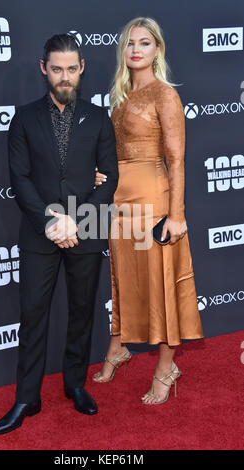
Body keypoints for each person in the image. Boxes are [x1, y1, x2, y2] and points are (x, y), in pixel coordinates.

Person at [0, 33, 118, 435]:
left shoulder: (99, 118)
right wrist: (51, 222)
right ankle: (27, 397)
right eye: (57, 69)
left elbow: (109, 178)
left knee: (82, 313)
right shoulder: (24, 118)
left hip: (86, 230)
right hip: (39, 232)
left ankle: (75, 385)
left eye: (72, 69)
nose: (65, 77)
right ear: (44, 69)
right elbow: (20, 179)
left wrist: (75, 221)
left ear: (83, 69)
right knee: (32, 318)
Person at [93, 17, 204, 405]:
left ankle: (166, 367)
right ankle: (118, 347)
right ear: (122, 50)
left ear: (157, 49)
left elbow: (176, 159)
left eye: (145, 42)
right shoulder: (120, 96)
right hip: (120, 200)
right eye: (129, 43)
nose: (136, 49)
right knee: (124, 279)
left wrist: (176, 215)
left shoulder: (165, 95)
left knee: (160, 279)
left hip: (154, 198)